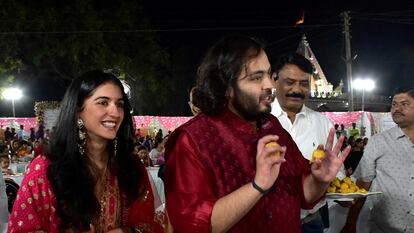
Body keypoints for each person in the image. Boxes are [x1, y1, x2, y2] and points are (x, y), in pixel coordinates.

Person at [164, 35, 350, 233]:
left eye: (269, 74)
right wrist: (257, 185)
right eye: (256, 77)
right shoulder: (193, 140)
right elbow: (193, 225)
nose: (269, 84)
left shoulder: (272, 127)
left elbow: (303, 192)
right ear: (226, 87)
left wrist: (319, 180)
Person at [8, 70, 165, 232]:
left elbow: (155, 222)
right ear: (77, 110)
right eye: (103, 102)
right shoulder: (46, 169)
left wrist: (129, 232)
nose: (116, 112)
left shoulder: (131, 167)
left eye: (120, 104)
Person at [271, 53, 337, 232]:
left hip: (310, 223)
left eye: (304, 83)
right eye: (290, 82)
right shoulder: (258, 119)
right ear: (274, 80)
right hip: (266, 223)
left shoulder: (323, 124)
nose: (297, 89)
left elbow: (334, 174)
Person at [341, 87, 414, 233]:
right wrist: (351, 222)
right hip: (384, 228)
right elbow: (363, 186)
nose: (397, 109)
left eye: (404, 104)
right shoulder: (378, 142)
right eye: (394, 104)